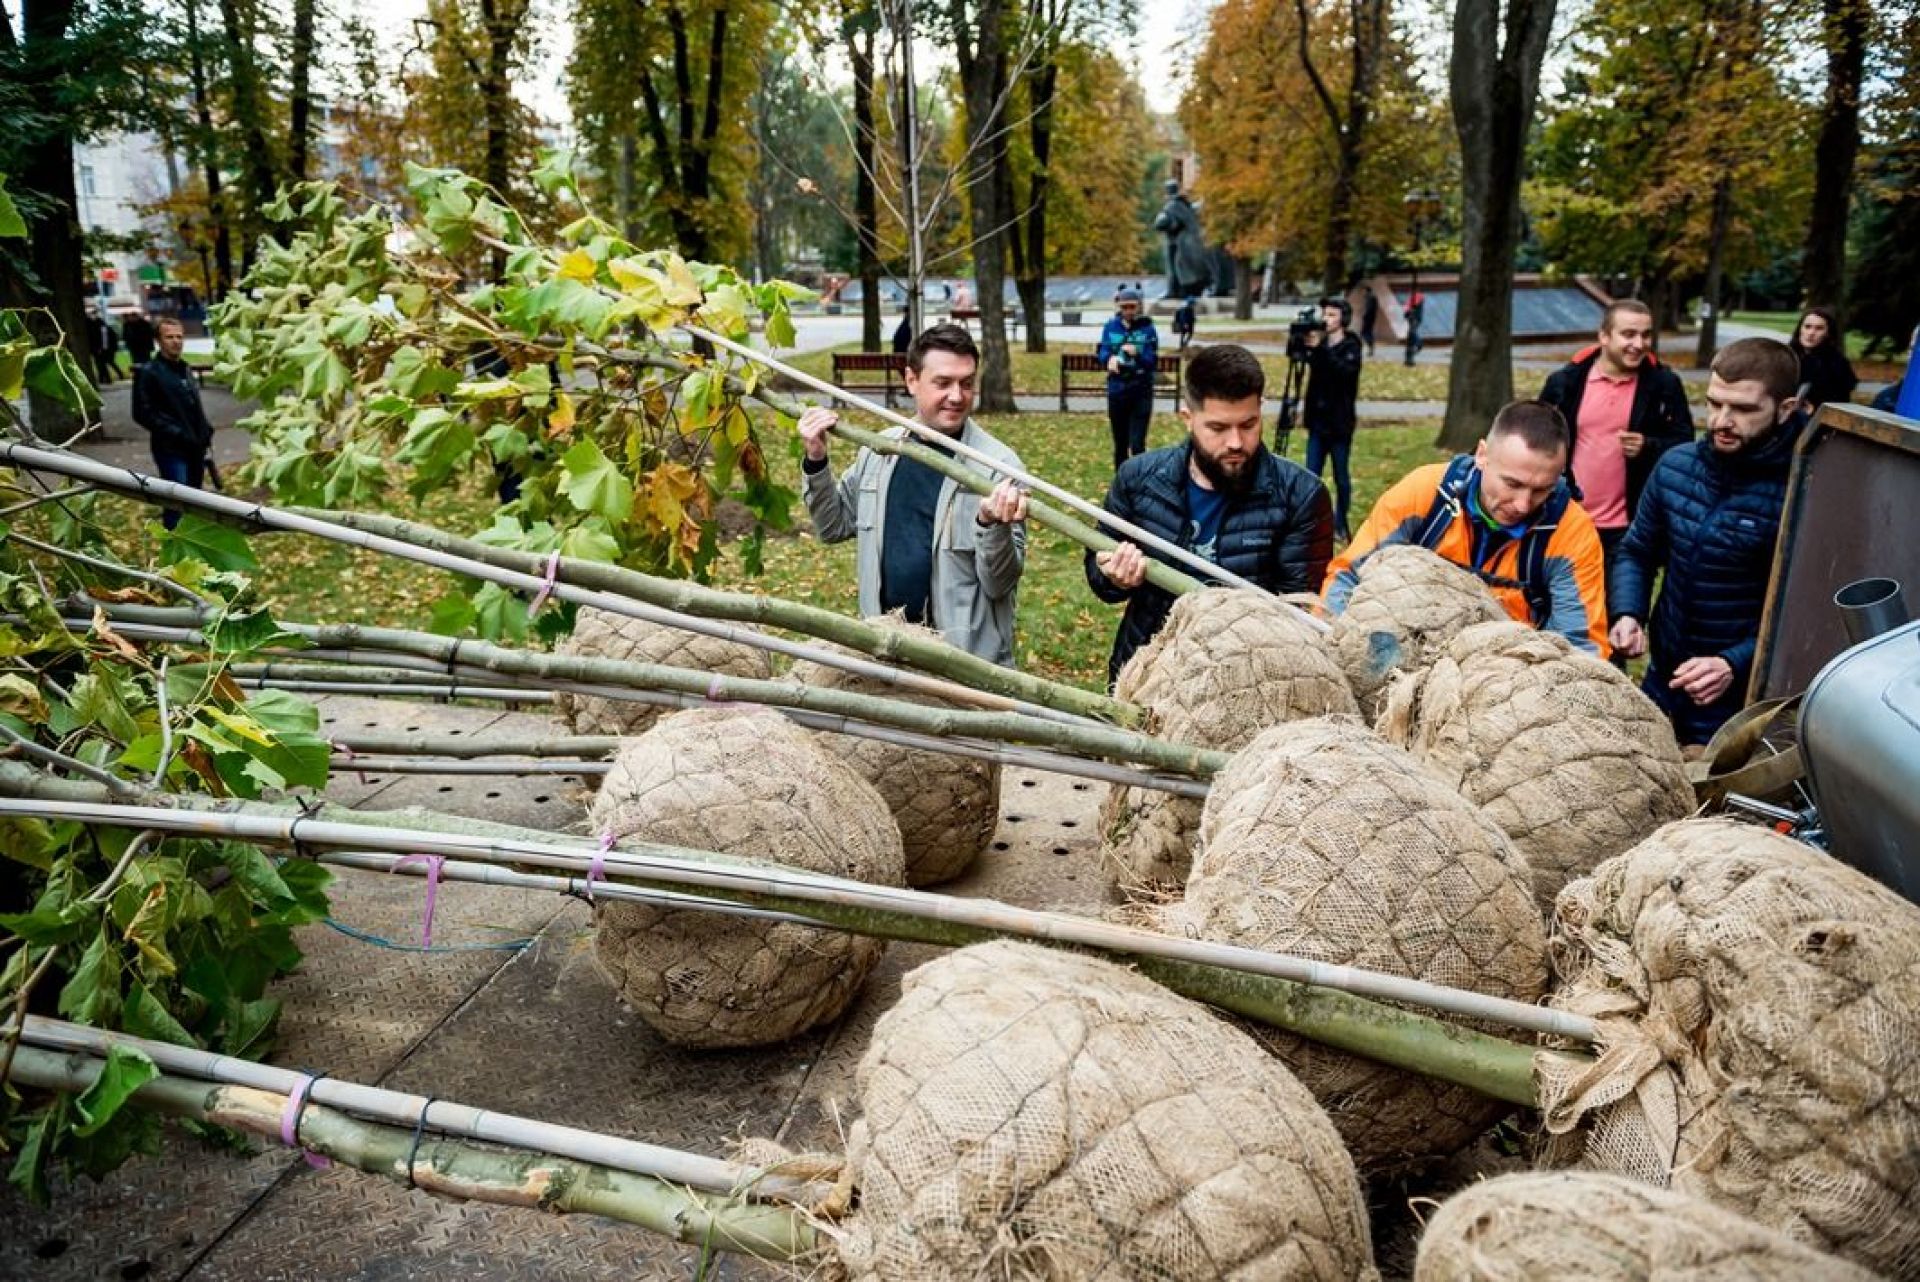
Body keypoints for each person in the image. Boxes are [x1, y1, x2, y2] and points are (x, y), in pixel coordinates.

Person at [1085, 343, 1334, 685]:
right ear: (1188, 418)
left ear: (1261, 409)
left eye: (1248, 424)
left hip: (1246, 683)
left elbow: (1297, 614)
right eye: (1218, 428)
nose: (1235, 442)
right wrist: (1112, 576)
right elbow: (1099, 575)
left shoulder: (1300, 496)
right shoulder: (1139, 479)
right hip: (1143, 675)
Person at [1609, 337, 1805, 748]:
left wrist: (1732, 663)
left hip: (1743, 703)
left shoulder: (1805, 491)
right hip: (1664, 680)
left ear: (1786, 410)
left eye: (1744, 409)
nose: (1721, 421)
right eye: (1715, 404)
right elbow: (1638, 550)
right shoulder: (1676, 466)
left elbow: (1804, 612)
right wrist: (1628, 612)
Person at [799, 323, 1030, 665]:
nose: (957, 396)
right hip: (886, 652)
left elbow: (999, 584)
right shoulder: (881, 451)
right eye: (943, 383)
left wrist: (990, 524)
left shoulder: (999, 469)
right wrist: (816, 458)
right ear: (911, 380)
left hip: (965, 670)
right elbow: (832, 526)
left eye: (967, 383)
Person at [1324, 400, 1610, 657]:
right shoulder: (1423, 494)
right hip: (1407, 652)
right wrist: (1334, 645)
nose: (1523, 505)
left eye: (1541, 490)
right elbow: (1350, 577)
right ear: (1482, 455)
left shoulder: (1572, 533)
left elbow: (1580, 647)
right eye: (1512, 484)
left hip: (1508, 677)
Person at [1537, 299, 1694, 573]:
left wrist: (1648, 445)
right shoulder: (1565, 382)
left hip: (1627, 529)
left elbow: (1684, 442)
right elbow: (1537, 440)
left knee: (1617, 610)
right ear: (1604, 336)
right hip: (1567, 519)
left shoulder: (1664, 384)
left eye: (1646, 335)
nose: (1639, 343)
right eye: (1629, 334)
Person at [131, 318, 216, 530]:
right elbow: (142, 413)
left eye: (179, 337)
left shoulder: (184, 369)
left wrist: (205, 430)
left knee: (195, 502)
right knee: (175, 503)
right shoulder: (149, 372)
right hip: (171, 450)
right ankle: (173, 549)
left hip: (195, 447)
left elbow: (193, 406)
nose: (176, 341)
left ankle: (192, 547)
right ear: (158, 341)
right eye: (169, 337)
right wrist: (175, 433)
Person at [1301, 295, 1365, 541]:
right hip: (1318, 421)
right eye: (1324, 314)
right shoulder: (1320, 344)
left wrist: (1319, 351)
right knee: (1311, 474)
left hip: (1339, 423)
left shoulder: (1352, 346)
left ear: (1343, 319)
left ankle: (1341, 522)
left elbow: (1344, 373)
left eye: (1332, 315)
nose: (1326, 319)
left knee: (1341, 476)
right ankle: (1309, 520)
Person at [1095, 284, 1160, 468]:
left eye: (1132, 306)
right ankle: (1121, 482)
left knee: (1138, 444)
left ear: (1139, 306)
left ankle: (1139, 481)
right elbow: (1103, 351)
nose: (1128, 311)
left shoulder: (1147, 329)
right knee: (1120, 444)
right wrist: (1109, 358)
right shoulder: (1111, 327)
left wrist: (1137, 353)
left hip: (1141, 390)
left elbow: (1152, 361)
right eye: (1124, 307)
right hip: (1117, 391)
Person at [1789, 305, 1858, 412]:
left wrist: (1813, 408)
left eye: (1819, 328)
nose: (1811, 333)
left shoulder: (1837, 364)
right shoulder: (1786, 357)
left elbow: (1840, 402)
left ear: (1828, 333)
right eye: (1807, 326)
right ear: (1800, 329)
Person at [1154, 181, 1213, 300]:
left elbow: (1162, 223)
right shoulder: (1185, 204)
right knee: (1182, 267)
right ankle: (1178, 290)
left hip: (1176, 242)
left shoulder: (1172, 205)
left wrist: (1164, 222)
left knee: (1173, 266)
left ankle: (1172, 290)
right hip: (1188, 241)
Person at [87, 308, 120, 384]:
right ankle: (103, 378)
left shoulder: (100, 324)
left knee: (102, 364)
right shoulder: (96, 324)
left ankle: (105, 379)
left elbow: (103, 337)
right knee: (101, 364)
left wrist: (102, 347)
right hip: (98, 348)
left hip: (100, 348)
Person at [1403, 290, 1426, 367]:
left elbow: (1411, 307)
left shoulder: (1417, 297)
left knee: (1411, 333)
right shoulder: (1415, 297)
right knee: (1411, 335)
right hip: (1413, 318)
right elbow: (1408, 307)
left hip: (1415, 319)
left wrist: (1408, 312)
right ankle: (1409, 359)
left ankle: (1419, 344)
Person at [1360, 290, 1380, 357]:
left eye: (1363, 292)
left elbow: (1369, 309)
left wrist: (1365, 316)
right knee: (1367, 332)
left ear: (1367, 291)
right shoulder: (1372, 298)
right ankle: (1371, 348)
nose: (1363, 293)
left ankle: (1371, 347)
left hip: (1369, 319)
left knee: (1365, 333)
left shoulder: (1370, 298)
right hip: (1371, 318)